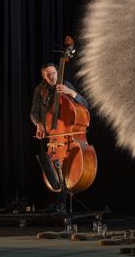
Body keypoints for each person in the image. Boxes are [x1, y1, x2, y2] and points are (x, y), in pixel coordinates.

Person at [30, 62, 89, 212]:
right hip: (49, 134)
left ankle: (61, 204)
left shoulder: (66, 84)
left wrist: (70, 92)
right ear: (44, 77)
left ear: (57, 72)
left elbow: (85, 104)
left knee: (63, 168)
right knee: (49, 168)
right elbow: (33, 113)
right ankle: (55, 203)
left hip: (67, 135)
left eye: (53, 73)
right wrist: (39, 124)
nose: (51, 77)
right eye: (47, 75)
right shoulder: (40, 89)